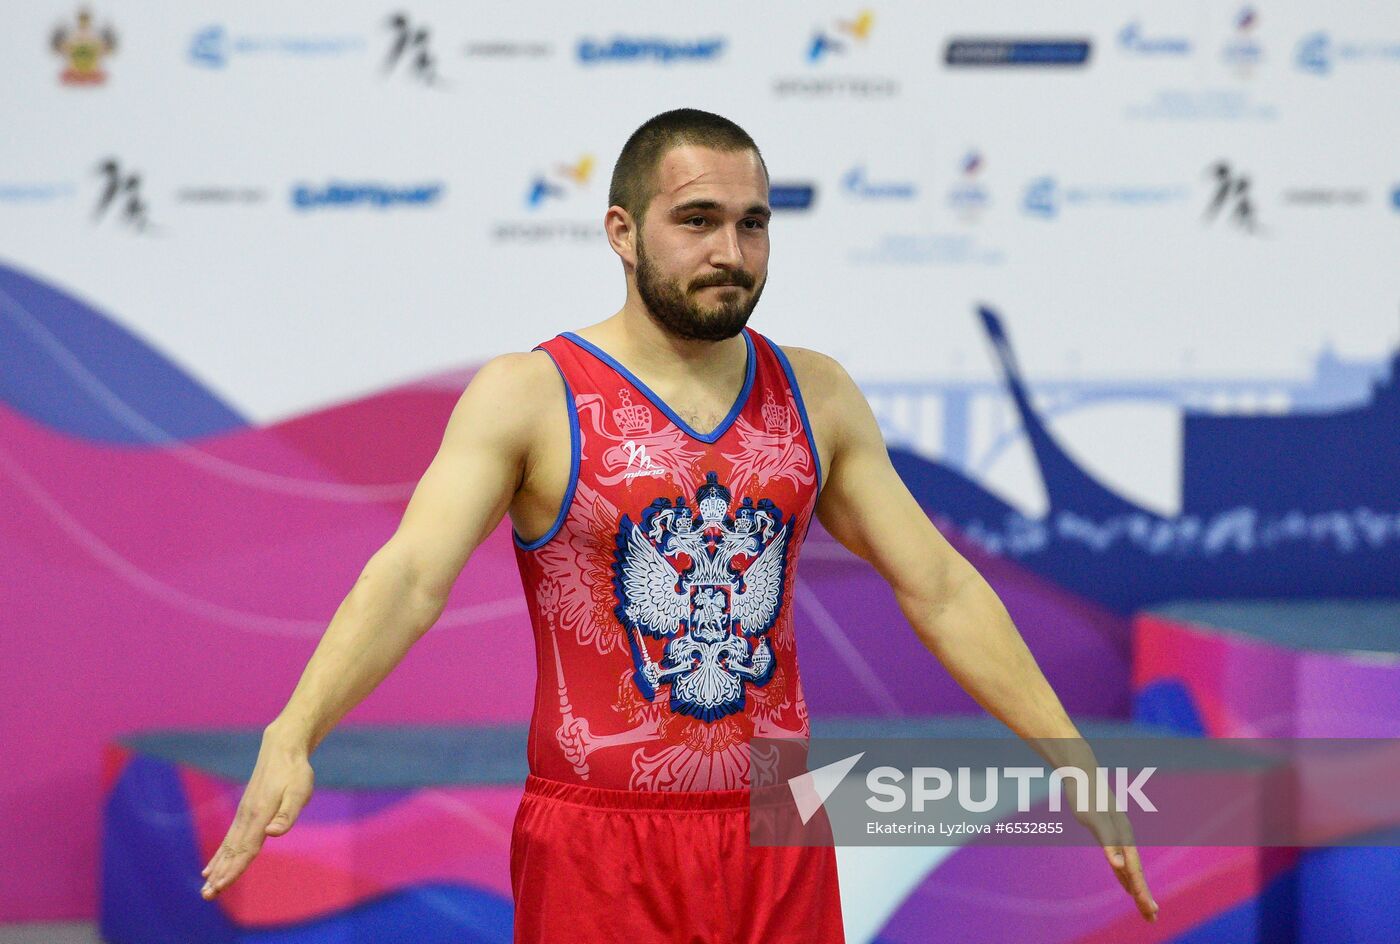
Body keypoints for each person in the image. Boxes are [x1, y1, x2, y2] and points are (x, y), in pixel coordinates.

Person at [197, 108, 1159, 940]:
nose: (730, 254)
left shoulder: (813, 394)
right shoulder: (532, 395)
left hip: (777, 830)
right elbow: (410, 577)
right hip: (597, 843)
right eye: (696, 221)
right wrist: (296, 731)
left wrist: (1067, 753)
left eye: (753, 224)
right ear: (621, 230)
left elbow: (938, 586)